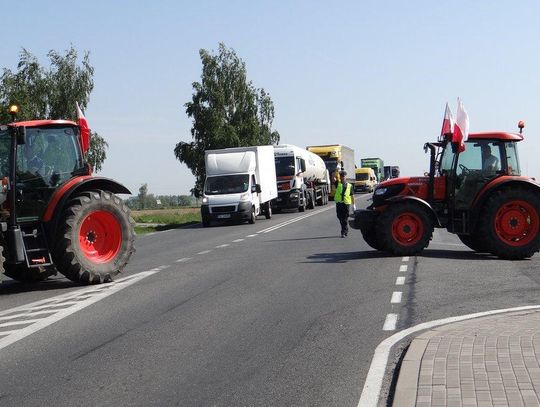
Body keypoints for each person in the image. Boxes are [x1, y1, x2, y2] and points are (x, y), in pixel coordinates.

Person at [334, 170, 355, 238]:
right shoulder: (337, 183)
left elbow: (352, 195)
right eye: (341, 176)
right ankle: (345, 229)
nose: (342, 177)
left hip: (346, 204)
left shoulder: (350, 186)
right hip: (339, 203)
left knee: (345, 218)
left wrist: (353, 204)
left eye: (343, 176)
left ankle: (343, 231)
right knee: (340, 217)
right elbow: (333, 177)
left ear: (345, 177)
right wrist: (336, 170)